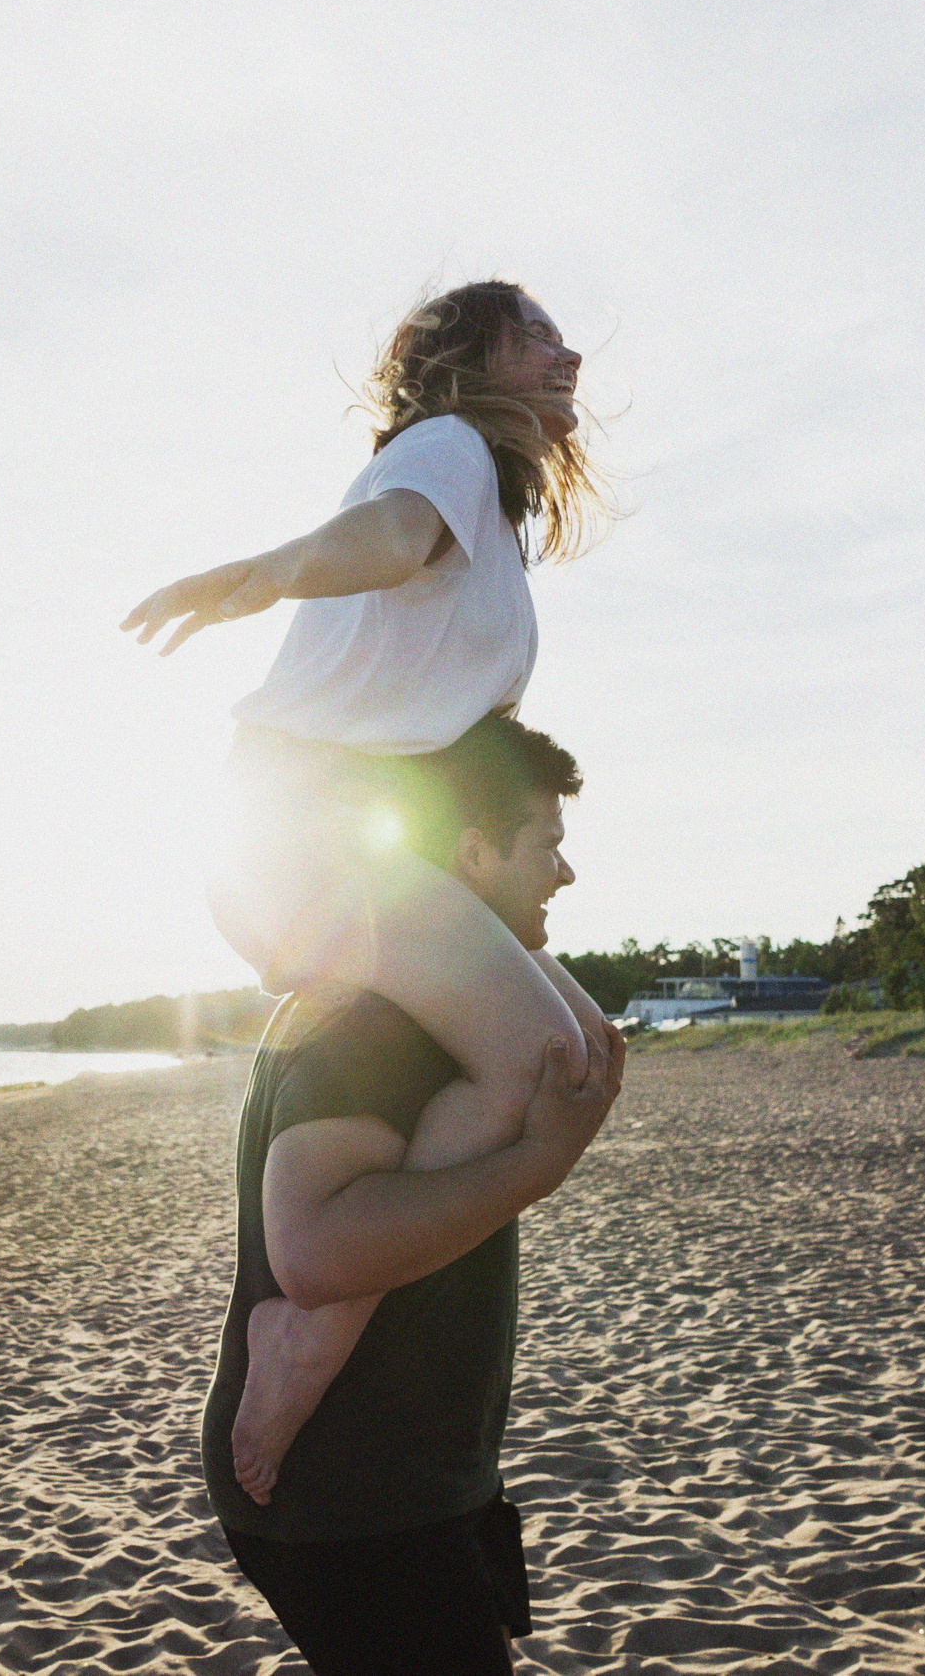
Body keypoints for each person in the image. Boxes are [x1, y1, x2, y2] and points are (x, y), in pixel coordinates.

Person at [123, 280, 619, 1501]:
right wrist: (259, 574)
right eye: (535, 334)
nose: (566, 353)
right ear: (466, 361)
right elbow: (388, 538)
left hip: (358, 843)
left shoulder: (493, 519)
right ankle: (309, 1329)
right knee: (536, 1062)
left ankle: (331, 1307)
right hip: (308, 836)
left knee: (583, 1049)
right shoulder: (446, 448)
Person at [200, 714, 623, 1674]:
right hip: (350, 1501)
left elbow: (579, 1049)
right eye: (547, 844)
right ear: (471, 853)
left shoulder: (452, 1012)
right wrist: (537, 1165)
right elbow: (312, 1251)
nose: (565, 873)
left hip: (412, 1489)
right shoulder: (378, 1022)